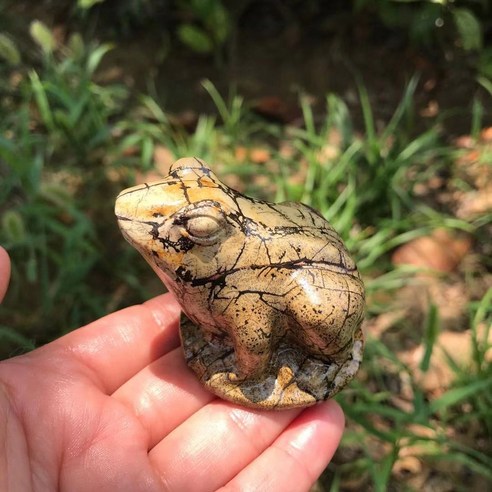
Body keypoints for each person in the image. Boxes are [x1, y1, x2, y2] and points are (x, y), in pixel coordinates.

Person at [0, 246, 344, 491]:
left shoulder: (241, 289)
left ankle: (309, 355)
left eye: (198, 232)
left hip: (319, 304)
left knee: (307, 315)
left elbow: (254, 340)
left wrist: (247, 377)